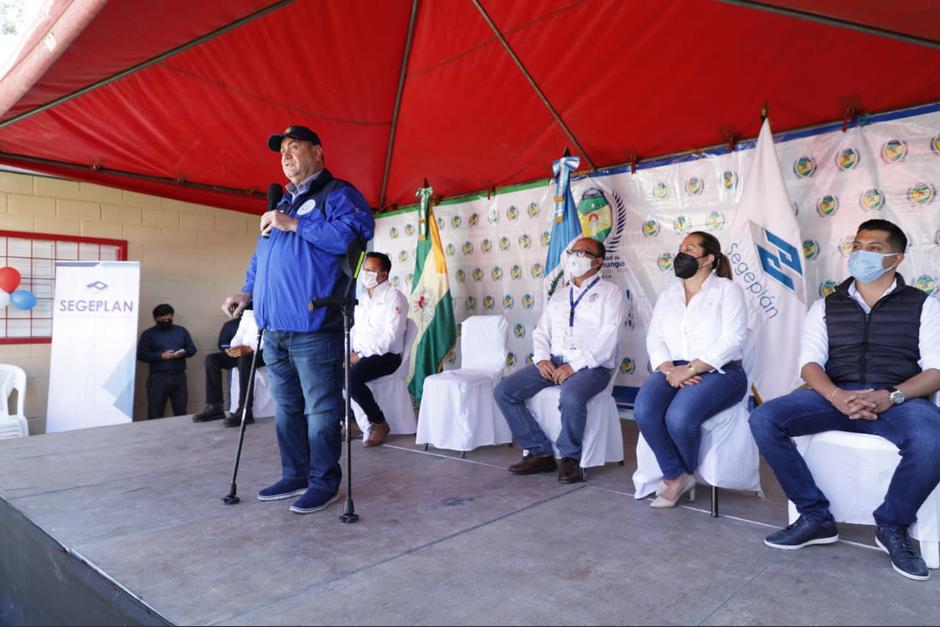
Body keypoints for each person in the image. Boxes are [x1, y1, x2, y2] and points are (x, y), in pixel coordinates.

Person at [749, 219, 940, 581]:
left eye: (873, 248)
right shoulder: (826, 305)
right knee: (765, 419)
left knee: (933, 439)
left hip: (897, 399)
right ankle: (815, 517)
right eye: (857, 246)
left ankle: (893, 526)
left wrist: (892, 395)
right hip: (835, 396)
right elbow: (809, 364)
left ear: (896, 258)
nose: (861, 254)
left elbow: (936, 369)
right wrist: (836, 395)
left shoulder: (924, 306)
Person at [222, 125, 375, 515]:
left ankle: (324, 481)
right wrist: (246, 292)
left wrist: (296, 224)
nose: (286, 156)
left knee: (321, 410)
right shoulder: (282, 204)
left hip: (315, 325)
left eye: (294, 147)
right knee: (287, 407)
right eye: (282, 152)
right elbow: (263, 259)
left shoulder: (338, 194)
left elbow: (353, 236)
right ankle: (296, 473)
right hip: (274, 328)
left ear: (318, 152)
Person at [494, 236, 626, 483]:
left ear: (597, 262)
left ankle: (569, 458)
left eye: (582, 252)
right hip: (553, 361)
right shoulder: (559, 295)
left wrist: (573, 366)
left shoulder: (611, 294)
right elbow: (541, 332)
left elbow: (609, 340)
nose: (574, 256)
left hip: (591, 367)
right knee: (504, 391)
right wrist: (542, 359)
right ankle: (540, 451)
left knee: (572, 396)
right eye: (573, 251)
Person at [634, 231, 748, 508]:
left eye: (690, 248)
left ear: (708, 259)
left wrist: (691, 369)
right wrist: (667, 367)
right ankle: (678, 475)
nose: (682, 253)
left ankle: (680, 476)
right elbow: (655, 337)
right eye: (680, 248)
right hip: (671, 368)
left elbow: (733, 339)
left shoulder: (727, 290)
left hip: (721, 372)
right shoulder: (669, 293)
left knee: (679, 417)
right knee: (644, 411)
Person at [349, 252, 409, 447]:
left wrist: (360, 355)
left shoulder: (394, 298)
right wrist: (347, 352)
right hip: (360, 354)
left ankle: (379, 422)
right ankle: (353, 421)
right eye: (365, 269)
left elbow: (390, 338)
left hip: (385, 357)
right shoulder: (362, 298)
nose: (367, 274)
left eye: (372, 270)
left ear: (384, 273)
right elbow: (355, 329)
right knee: (330, 369)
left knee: (351, 377)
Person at [137, 304, 197, 420]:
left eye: (168, 319)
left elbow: (192, 349)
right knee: (155, 411)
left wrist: (183, 352)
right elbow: (141, 355)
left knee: (181, 410)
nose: (166, 321)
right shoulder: (148, 334)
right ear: (155, 318)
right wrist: (161, 356)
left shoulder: (181, 331)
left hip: (179, 376)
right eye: (162, 319)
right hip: (158, 378)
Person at [192, 313, 246, 423]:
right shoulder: (231, 324)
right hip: (235, 354)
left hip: (255, 354)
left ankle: (244, 409)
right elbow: (222, 343)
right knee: (211, 359)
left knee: (243, 360)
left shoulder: (260, 321)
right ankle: (215, 405)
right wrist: (229, 349)